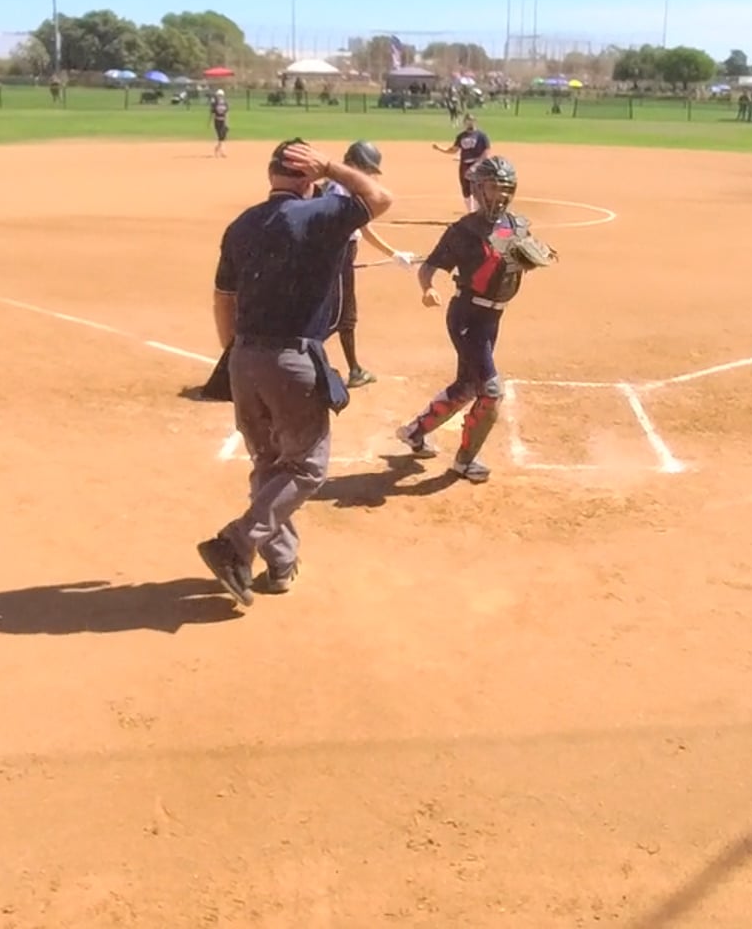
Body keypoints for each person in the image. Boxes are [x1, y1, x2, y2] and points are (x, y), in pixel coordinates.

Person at [197, 139, 395, 606]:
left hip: (243, 357)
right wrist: (331, 167)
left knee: (269, 465)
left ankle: (281, 564)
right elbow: (380, 198)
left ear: (271, 175)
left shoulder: (241, 225)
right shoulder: (322, 213)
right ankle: (235, 543)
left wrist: (236, 355)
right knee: (306, 467)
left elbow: (223, 299)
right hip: (293, 360)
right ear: (309, 178)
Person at [395, 156, 556, 484]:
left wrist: (537, 257)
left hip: (492, 318)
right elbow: (429, 268)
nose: (500, 195)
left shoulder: (516, 225)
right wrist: (428, 289)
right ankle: (465, 461)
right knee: (491, 391)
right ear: (479, 189)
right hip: (467, 317)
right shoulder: (463, 231)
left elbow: (519, 257)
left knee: (468, 384)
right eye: (494, 187)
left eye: (505, 188)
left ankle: (414, 432)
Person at [318, 141, 414, 388]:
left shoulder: (342, 187)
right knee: (339, 316)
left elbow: (362, 226)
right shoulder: (338, 190)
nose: (369, 176)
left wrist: (393, 253)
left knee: (343, 315)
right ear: (352, 164)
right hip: (337, 256)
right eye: (366, 170)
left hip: (340, 256)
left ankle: (354, 369)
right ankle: (305, 359)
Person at [432, 114, 492, 212]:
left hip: (477, 165)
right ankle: (471, 212)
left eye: (471, 121)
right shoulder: (461, 136)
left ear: (475, 122)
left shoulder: (481, 136)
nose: (469, 123)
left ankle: (479, 212)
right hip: (464, 165)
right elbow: (453, 150)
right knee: (465, 188)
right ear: (464, 123)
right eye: (467, 121)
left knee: (478, 188)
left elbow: (486, 151)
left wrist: (477, 165)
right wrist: (440, 148)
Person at [209, 89, 230, 157]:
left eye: (221, 95)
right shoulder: (214, 104)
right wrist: (211, 122)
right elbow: (213, 114)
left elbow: (227, 113)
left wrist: (227, 122)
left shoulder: (225, 103)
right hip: (217, 121)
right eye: (218, 95)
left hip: (223, 121)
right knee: (220, 137)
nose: (220, 96)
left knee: (222, 138)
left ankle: (217, 149)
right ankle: (222, 152)